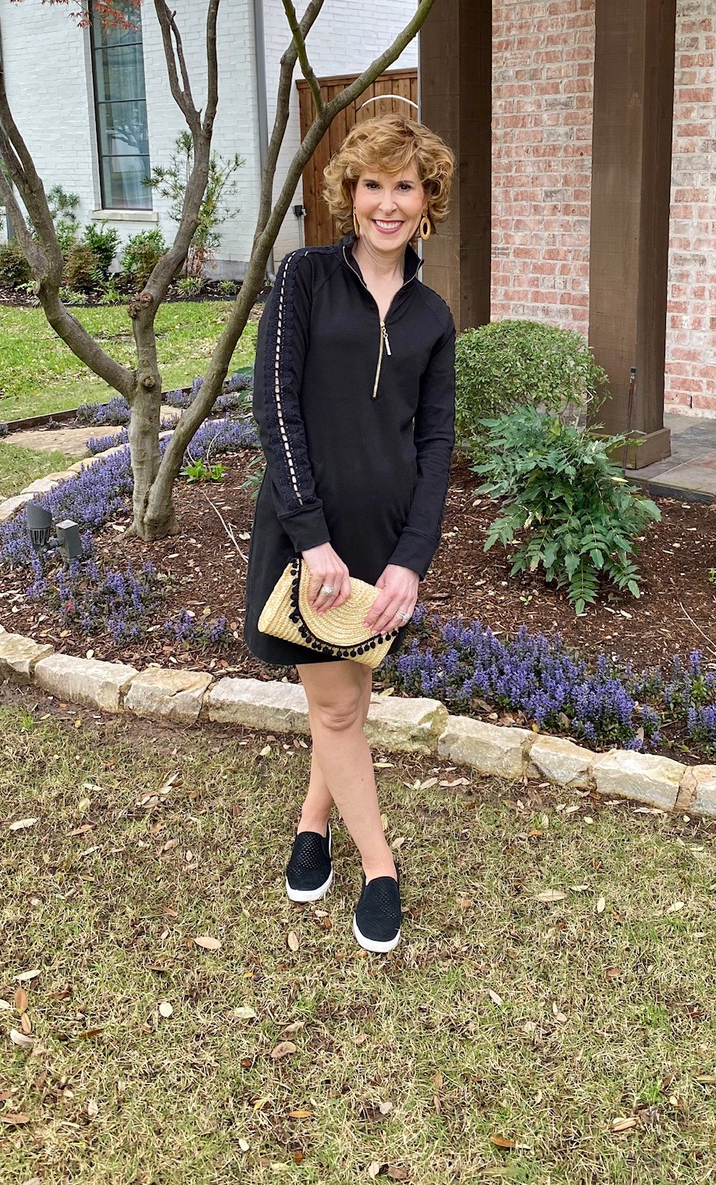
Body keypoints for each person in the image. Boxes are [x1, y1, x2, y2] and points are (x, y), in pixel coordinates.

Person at [245, 114, 456, 954]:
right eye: (373, 184)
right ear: (350, 193)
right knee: (336, 710)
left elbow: (436, 444)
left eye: (405, 185)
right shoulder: (303, 279)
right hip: (310, 534)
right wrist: (313, 538)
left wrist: (412, 559)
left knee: (347, 701)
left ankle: (310, 827)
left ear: (426, 199)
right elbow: (275, 406)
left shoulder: (434, 315)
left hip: (384, 537)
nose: (388, 203)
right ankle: (380, 868)